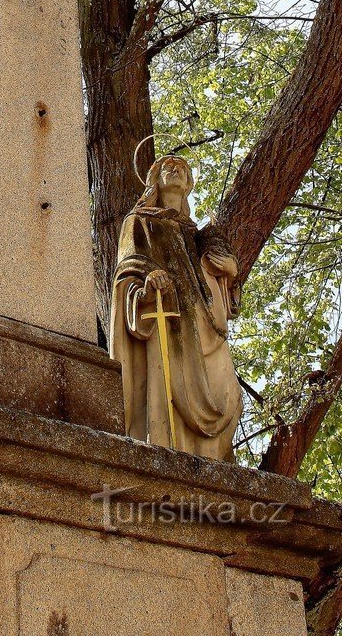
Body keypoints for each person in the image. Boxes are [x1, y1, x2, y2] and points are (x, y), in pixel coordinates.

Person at [110, 155, 243, 460]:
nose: (175, 170)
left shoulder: (196, 234)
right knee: (166, 392)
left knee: (229, 394)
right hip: (167, 317)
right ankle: (168, 454)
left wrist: (228, 272)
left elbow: (223, 288)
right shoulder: (139, 221)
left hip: (206, 323)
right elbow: (128, 268)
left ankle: (214, 459)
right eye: (168, 167)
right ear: (154, 179)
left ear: (189, 185)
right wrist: (147, 282)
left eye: (182, 168)